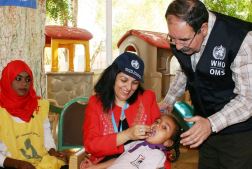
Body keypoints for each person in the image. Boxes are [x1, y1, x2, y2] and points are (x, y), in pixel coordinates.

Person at [160, 0, 252, 169]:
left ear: (203, 29)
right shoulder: (181, 39)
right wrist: (168, 102)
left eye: (184, 40)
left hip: (238, 133)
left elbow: (248, 99)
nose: (177, 46)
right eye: (172, 38)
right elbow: (185, 71)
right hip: (204, 128)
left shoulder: (240, 39)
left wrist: (211, 124)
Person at [81, 52, 161, 167]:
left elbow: (161, 140)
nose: (129, 88)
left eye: (135, 83)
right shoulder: (96, 103)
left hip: (141, 162)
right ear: (113, 76)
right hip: (104, 163)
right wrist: (127, 135)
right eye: (124, 80)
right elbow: (91, 145)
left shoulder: (147, 98)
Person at [0, 60, 68, 169]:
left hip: (41, 161)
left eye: (28, 79)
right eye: (18, 79)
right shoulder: (1, 111)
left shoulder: (38, 106)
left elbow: (46, 133)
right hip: (9, 163)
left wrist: (52, 151)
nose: (24, 83)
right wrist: (17, 164)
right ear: (8, 80)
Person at [80, 114, 181, 169]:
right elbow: (118, 160)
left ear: (168, 142)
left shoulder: (158, 155)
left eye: (164, 127)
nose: (157, 125)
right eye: (157, 121)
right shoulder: (137, 143)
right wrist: (94, 167)